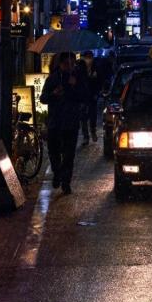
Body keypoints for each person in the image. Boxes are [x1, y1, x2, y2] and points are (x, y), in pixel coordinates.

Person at [40, 52, 86, 195]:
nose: (69, 66)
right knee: (53, 151)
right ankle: (57, 173)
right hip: (55, 121)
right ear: (60, 64)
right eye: (66, 64)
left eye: (72, 64)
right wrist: (54, 94)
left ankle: (66, 182)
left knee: (69, 154)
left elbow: (84, 96)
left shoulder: (77, 78)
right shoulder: (53, 79)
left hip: (71, 122)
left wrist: (74, 87)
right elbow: (43, 98)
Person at [78, 50, 100, 145]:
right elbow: (79, 80)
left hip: (92, 95)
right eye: (87, 57)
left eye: (90, 57)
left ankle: (93, 131)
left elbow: (99, 81)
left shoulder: (96, 66)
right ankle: (86, 136)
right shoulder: (80, 67)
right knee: (83, 117)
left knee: (93, 115)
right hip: (83, 96)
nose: (89, 59)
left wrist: (97, 92)